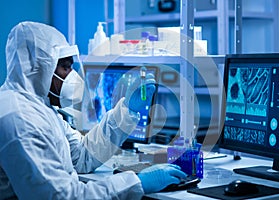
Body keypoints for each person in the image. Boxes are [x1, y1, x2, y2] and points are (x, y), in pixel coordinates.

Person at [0, 21, 187, 199]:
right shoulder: (20, 120)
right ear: (39, 69)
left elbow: (82, 156)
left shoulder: (40, 108)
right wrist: (136, 182)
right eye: (65, 68)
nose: (72, 76)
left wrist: (126, 111)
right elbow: (62, 197)